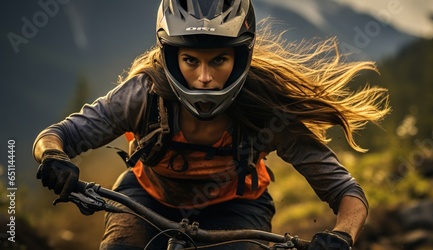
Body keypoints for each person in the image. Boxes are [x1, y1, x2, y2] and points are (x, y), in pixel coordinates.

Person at [33, 0, 390, 249]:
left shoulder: (266, 108)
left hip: (237, 207)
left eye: (219, 59)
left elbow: (347, 192)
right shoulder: (143, 94)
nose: (204, 77)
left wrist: (342, 235)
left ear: (241, 56)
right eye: (190, 60)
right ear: (169, 56)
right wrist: (54, 158)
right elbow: (58, 135)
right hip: (147, 199)